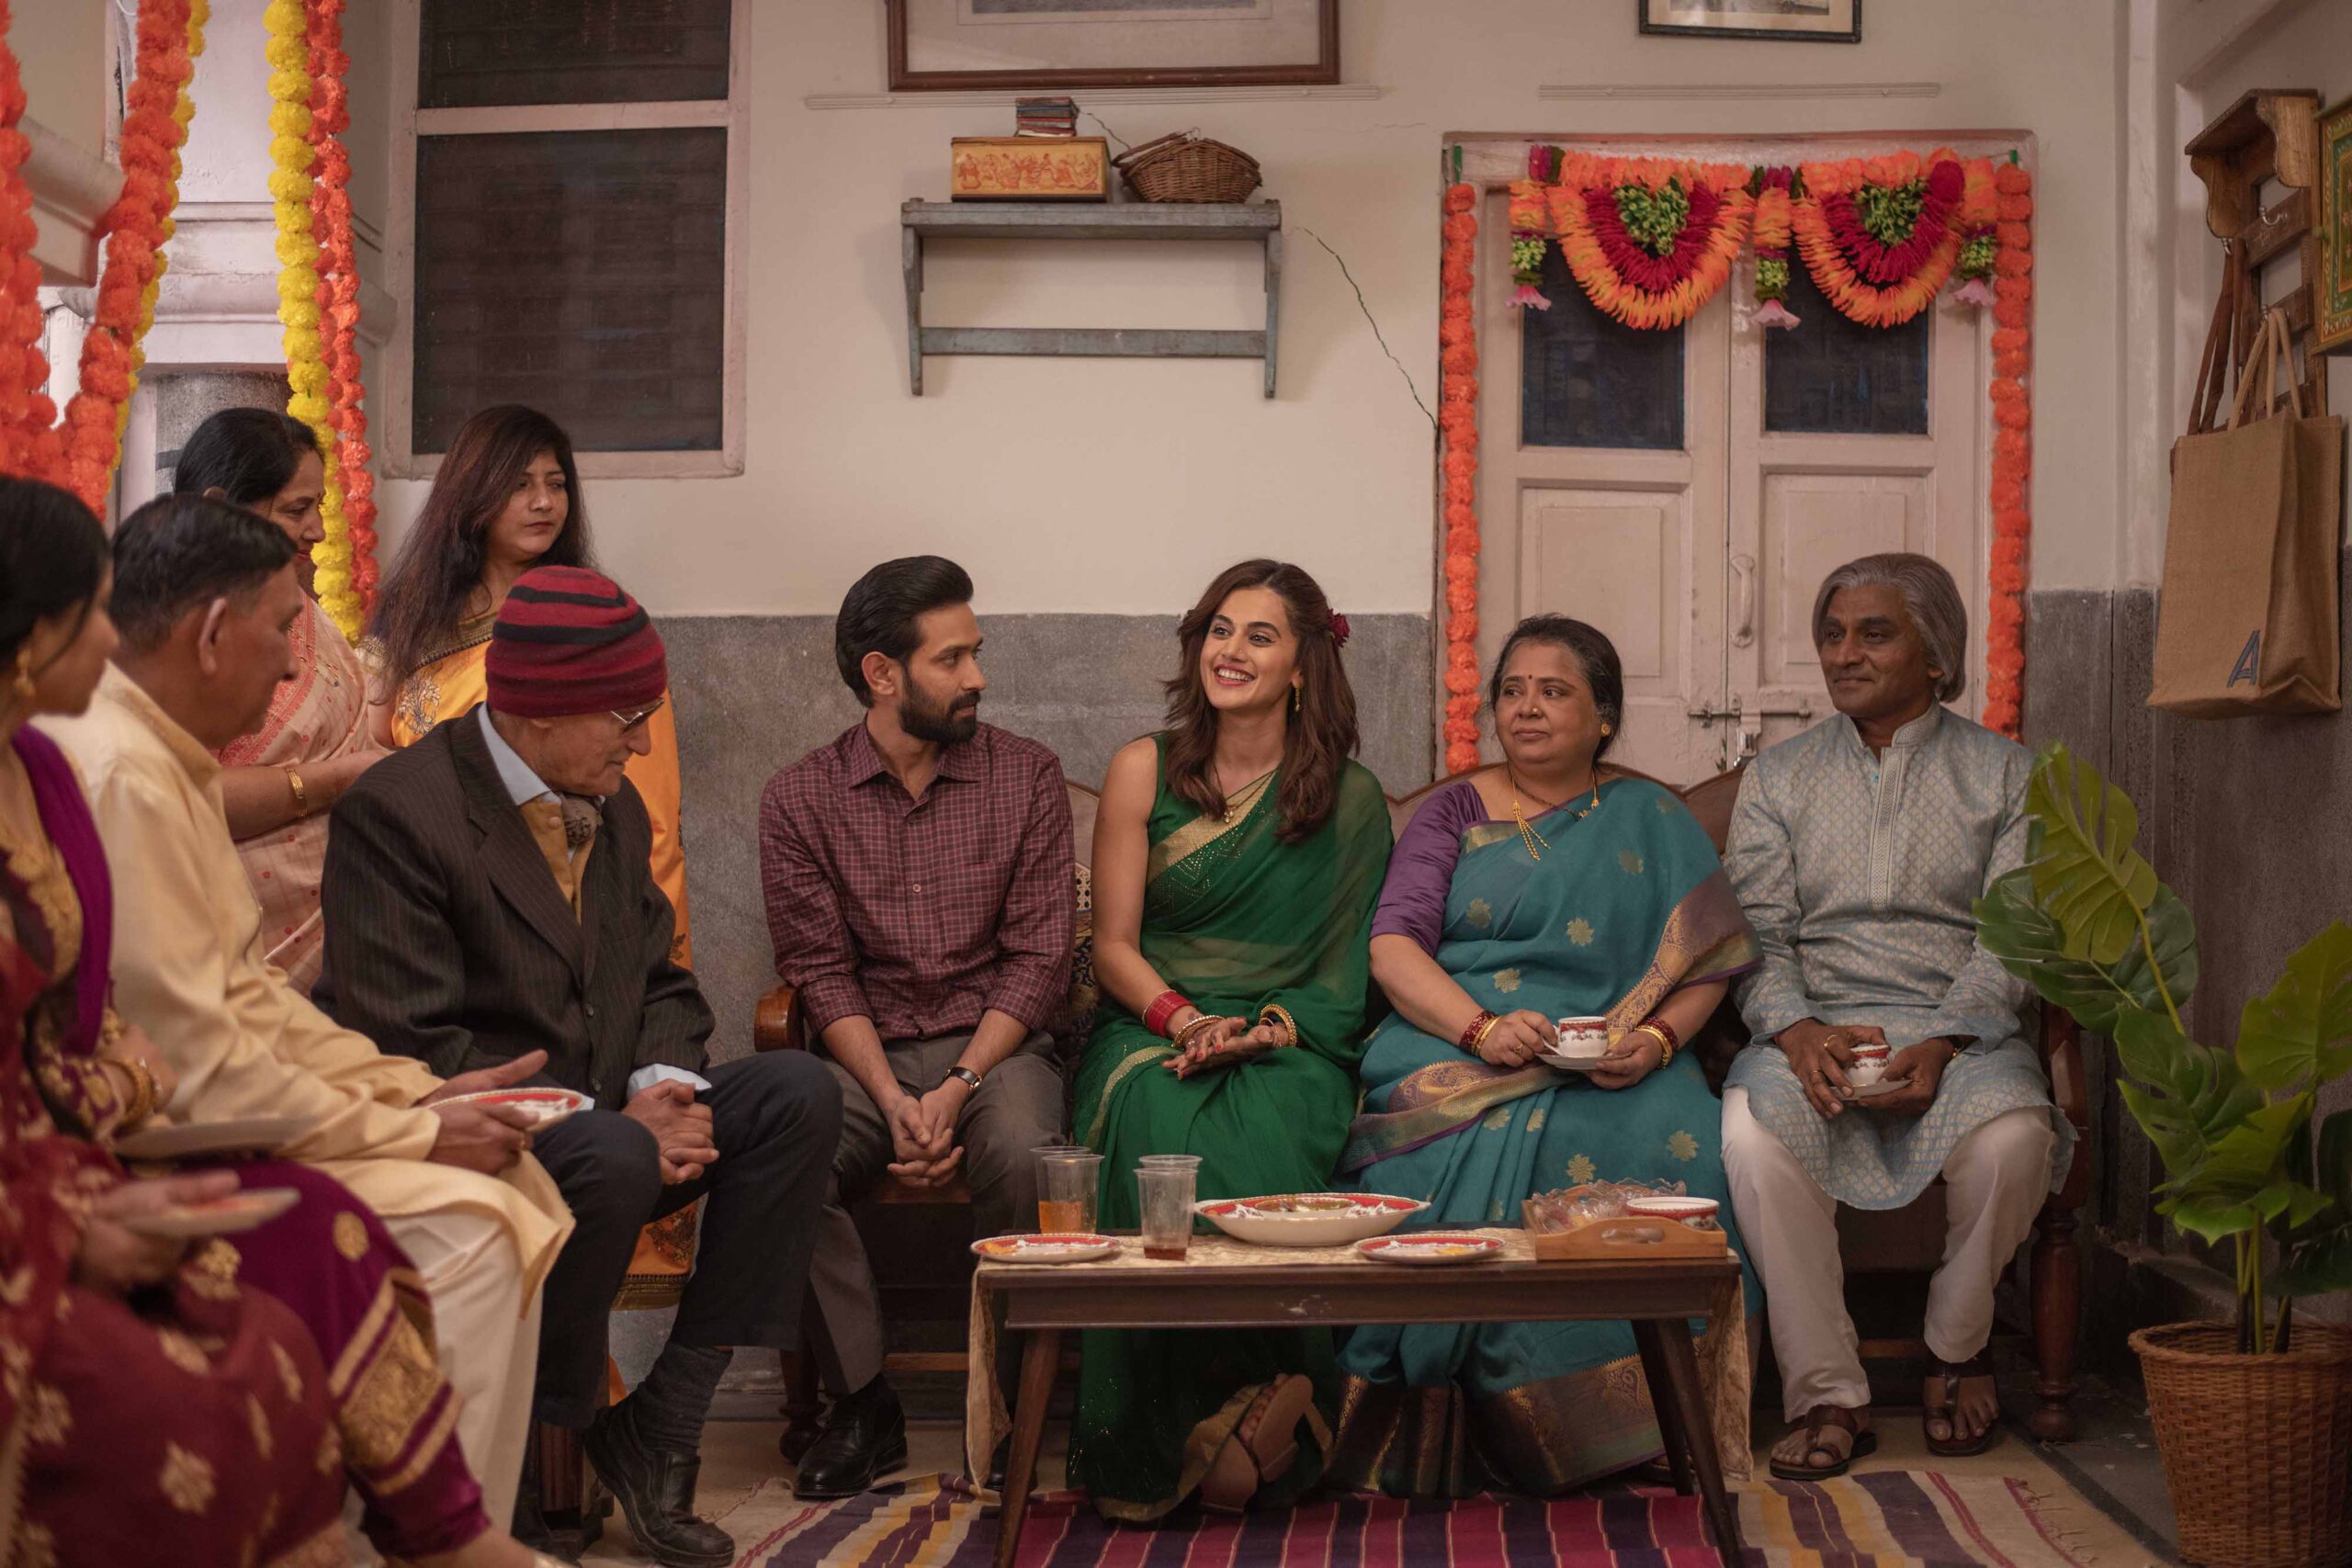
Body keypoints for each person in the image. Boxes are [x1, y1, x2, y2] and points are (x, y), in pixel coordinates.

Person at [2, 475, 556, 1568]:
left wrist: (412, 1097)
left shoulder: (113, 761)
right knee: (477, 1231)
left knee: (507, 1189)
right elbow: (183, 1059)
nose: (297, 666)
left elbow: (240, 998)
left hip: (89, 1133)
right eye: (92, 614)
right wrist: (414, 1131)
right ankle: (439, 1538)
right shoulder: (112, 767)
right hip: (102, 1152)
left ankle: (451, 1531)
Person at [315, 565, 842, 1568]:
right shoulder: (401, 813)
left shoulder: (609, 802)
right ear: (544, 713)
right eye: (626, 714)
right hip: (474, 1134)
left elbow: (665, 986)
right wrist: (606, 1121)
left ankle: (659, 1432)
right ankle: (505, 1478)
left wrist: (664, 1086)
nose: (642, 740)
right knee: (607, 1154)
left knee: (796, 1095)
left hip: (614, 1127)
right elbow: (406, 1043)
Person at [1327, 615, 1761, 1496]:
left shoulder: (1650, 814)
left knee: (1677, 1132)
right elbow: (1394, 949)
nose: (1526, 708)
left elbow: (1708, 960)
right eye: (1513, 690)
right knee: (1436, 1151)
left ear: (1604, 715)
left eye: (1553, 691)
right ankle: (1469, 1420)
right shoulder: (1453, 811)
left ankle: (1644, 1419)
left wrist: (1656, 1040)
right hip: (1456, 1036)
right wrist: (1480, 1028)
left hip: (1617, 1049)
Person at [1720, 552, 2070, 1479]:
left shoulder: (2007, 776)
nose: (1845, 654)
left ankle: (1955, 1346)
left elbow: (2014, 935)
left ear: (1937, 655)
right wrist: (1793, 1029)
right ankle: (1827, 1392)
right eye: (1832, 635)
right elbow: (1756, 930)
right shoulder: (1779, 777)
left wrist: (1947, 1040)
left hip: (1958, 1030)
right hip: (1811, 1030)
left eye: (1873, 634)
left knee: (2015, 1143)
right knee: (1754, 1140)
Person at [1069, 559, 1392, 1521]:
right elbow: (1112, 946)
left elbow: (1345, 974)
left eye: (1259, 635)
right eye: (1219, 629)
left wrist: (1260, 1031)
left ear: (1302, 665)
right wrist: (1188, 1021)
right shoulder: (1144, 767)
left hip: (1290, 1039)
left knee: (1265, 1129)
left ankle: (1249, 1405)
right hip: (1151, 1027)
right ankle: (1208, 1422)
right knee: (1162, 1128)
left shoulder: (1350, 795)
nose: (1231, 650)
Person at [759, 556, 1071, 1500]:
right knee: (786, 1155)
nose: (976, 677)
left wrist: (956, 1089)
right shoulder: (799, 800)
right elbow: (818, 972)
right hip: (866, 1055)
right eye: (952, 659)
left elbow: (1041, 959)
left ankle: (1009, 1403)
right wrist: (895, 1098)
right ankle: (862, 1404)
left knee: (1022, 1155)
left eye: (975, 653)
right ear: (881, 675)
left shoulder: (1026, 776)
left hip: (998, 1046)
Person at [366, 404, 692, 968]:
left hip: (558, 895)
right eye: (519, 485)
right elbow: (376, 747)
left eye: (556, 484)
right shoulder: (411, 616)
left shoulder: (593, 621)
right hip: (429, 884)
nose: (544, 502)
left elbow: (648, 806)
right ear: (472, 493)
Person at [177, 407, 385, 993]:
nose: (317, 530)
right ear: (222, 507)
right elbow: (183, 793)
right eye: (297, 509)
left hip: (344, 925)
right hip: (224, 947)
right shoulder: (176, 633)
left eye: (318, 506)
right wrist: (338, 779)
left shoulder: (298, 609)